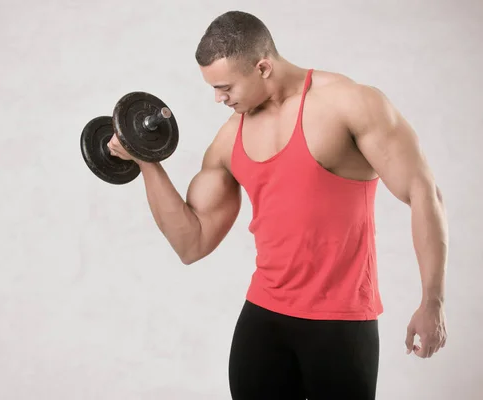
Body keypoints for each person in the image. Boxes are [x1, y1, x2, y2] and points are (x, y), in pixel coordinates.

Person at [107, 10, 448, 400]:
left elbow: (424, 192)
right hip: (264, 321)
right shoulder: (229, 139)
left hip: (340, 325)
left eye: (225, 87)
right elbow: (192, 243)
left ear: (263, 67)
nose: (218, 98)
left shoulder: (349, 103)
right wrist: (146, 160)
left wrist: (432, 301)